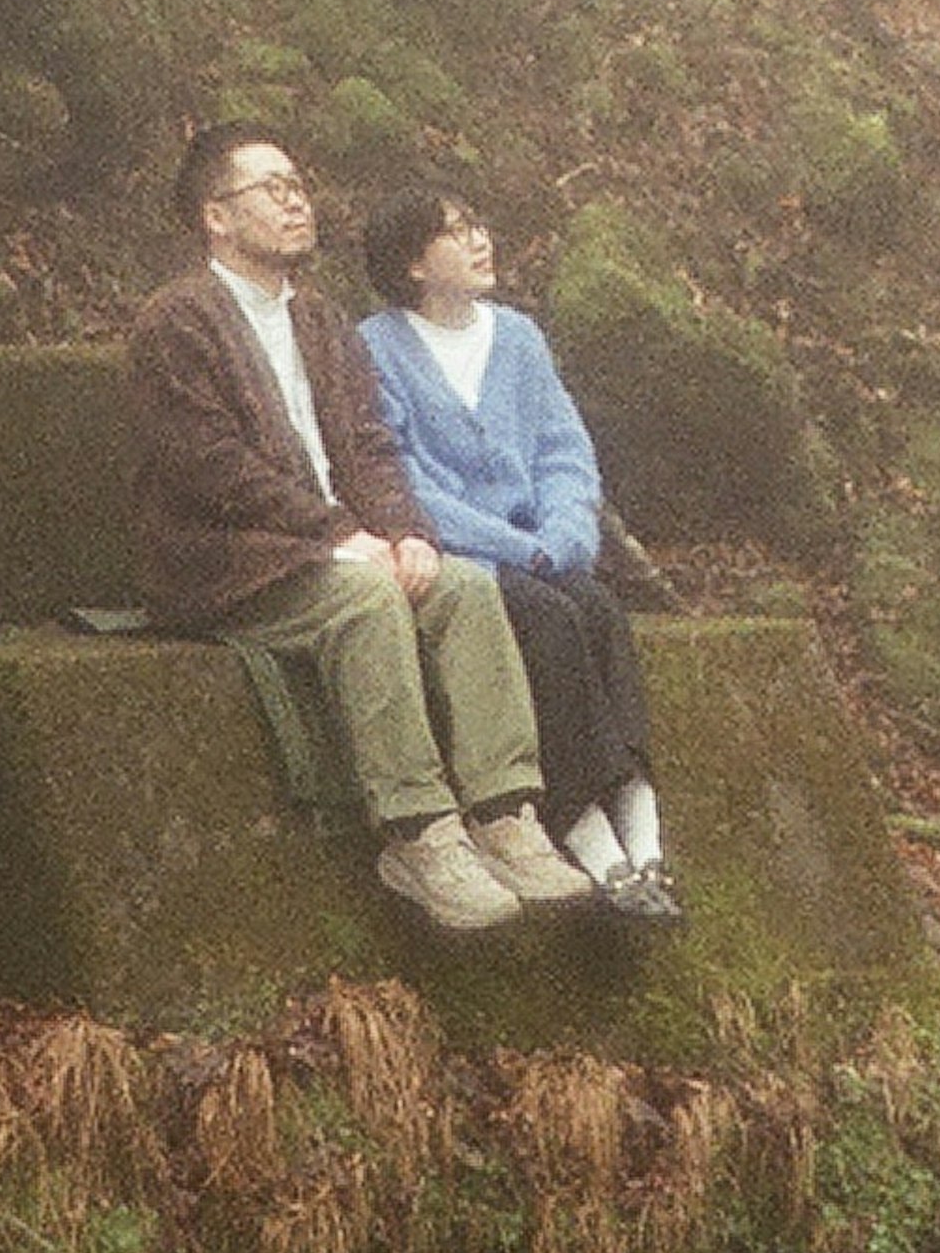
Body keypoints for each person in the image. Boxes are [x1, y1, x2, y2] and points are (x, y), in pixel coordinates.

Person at [125, 122, 597, 940]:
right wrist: (341, 534)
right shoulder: (178, 323)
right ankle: (416, 832)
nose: (294, 200)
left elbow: (371, 448)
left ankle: (505, 811)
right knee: (369, 602)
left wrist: (408, 530)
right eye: (270, 188)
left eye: (298, 184)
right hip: (230, 563)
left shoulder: (320, 319)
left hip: (335, 545)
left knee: (465, 587)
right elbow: (212, 468)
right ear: (216, 217)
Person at [356, 186, 685, 930]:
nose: (480, 240)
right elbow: (405, 481)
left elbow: (565, 452)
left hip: (544, 547)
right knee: (545, 624)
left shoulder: (519, 339)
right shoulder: (377, 347)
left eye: (478, 222)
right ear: (412, 264)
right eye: (456, 232)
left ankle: (645, 830)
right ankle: (592, 843)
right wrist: (515, 547)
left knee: (599, 609)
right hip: (469, 553)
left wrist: (565, 536)